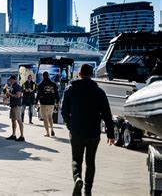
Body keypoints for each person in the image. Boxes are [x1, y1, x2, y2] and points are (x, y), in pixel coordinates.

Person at [61, 64, 115, 196]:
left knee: (76, 159)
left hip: (76, 131)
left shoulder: (70, 89)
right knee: (90, 162)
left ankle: (77, 178)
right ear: (92, 75)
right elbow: (107, 114)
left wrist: (69, 124)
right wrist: (111, 134)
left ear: (79, 74)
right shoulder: (99, 92)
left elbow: (64, 111)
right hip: (93, 132)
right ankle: (88, 190)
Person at [35, 71, 59, 137]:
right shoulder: (53, 84)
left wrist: (36, 102)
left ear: (43, 76)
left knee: (45, 118)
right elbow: (56, 93)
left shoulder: (40, 84)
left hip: (43, 103)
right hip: (51, 103)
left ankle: (47, 133)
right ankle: (52, 128)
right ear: (48, 76)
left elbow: (38, 94)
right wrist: (57, 101)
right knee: (50, 116)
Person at [4, 75, 25, 141]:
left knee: (19, 120)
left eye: (10, 80)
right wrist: (6, 91)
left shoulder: (17, 86)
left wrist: (10, 94)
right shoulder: (12, 86)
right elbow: (7, 95)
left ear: (14, 80)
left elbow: (18, 96)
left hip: (17, 106)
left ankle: (22, 136)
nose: (9, 81)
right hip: (13, 105)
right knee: (13, 120)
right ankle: (14, 135)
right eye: (9, 80)